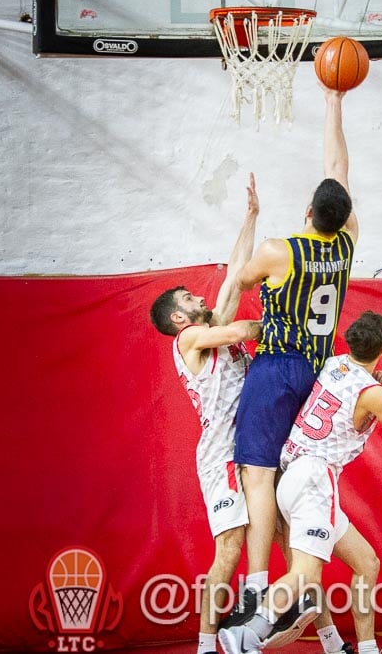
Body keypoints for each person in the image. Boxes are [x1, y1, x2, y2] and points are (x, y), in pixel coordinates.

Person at [218, 311, 382, 654]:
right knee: (305, 573)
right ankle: (247, 631)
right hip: (314, 479)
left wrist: (374, 388)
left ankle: (356, 648)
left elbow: (349, 402)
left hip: (291, 473)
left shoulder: (334, 363)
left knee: (366, 563)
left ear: (349, 342)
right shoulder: (372, 393)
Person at [226, 87, 358, 621]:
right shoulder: (347, 243)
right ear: (341, 216)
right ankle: (306, 593)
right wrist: (335, 102)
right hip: (321, 375)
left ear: (307, 210)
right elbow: (339, 170)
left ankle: (258, 589)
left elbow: (239, 278)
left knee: (258, 475)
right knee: (295, 483)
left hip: (278, 367)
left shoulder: (280, 250)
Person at [149, 174, 262, 654]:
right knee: (231, 548)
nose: (201, 298)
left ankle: (319, 633)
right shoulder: (189, 339)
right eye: (192, 300)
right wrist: (278, 323)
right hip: (222, 458)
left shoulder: (206, 325)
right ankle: (205, 645)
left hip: (251, 447)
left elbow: (236, 274)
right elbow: (241, 330)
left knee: (284, 535)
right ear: (179, 318)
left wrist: (251, 216)